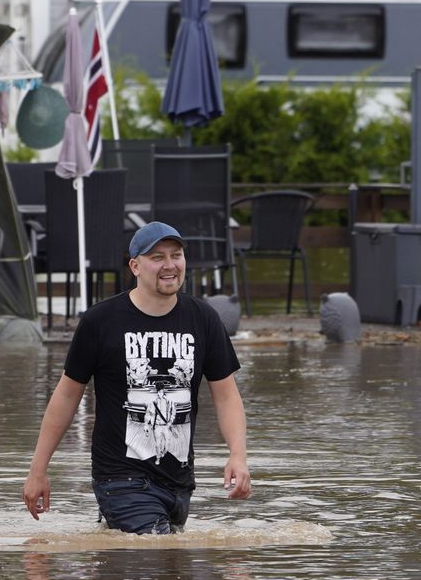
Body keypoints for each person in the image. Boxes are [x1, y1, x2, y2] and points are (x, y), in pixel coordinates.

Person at [23, 221, 251, 533]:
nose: (170, 265)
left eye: (176, 255)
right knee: (153, 554)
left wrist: (238, 456)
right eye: (157, 257)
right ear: (135, 266)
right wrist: (38, 470)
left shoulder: (204, 319)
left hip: (179, 483)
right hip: (120, 478)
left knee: (166, 573)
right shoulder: (100, 322)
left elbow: (226, 395)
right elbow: (66, 395)